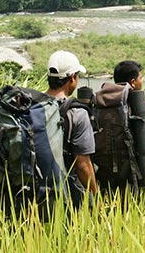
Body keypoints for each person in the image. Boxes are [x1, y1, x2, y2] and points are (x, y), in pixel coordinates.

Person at [45, 50, 98, 208]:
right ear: (73, 78)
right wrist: (96, 199)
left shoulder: (30, 105)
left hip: (27, 188)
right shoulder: (76, 113)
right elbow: (83, 164)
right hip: (61, 193)